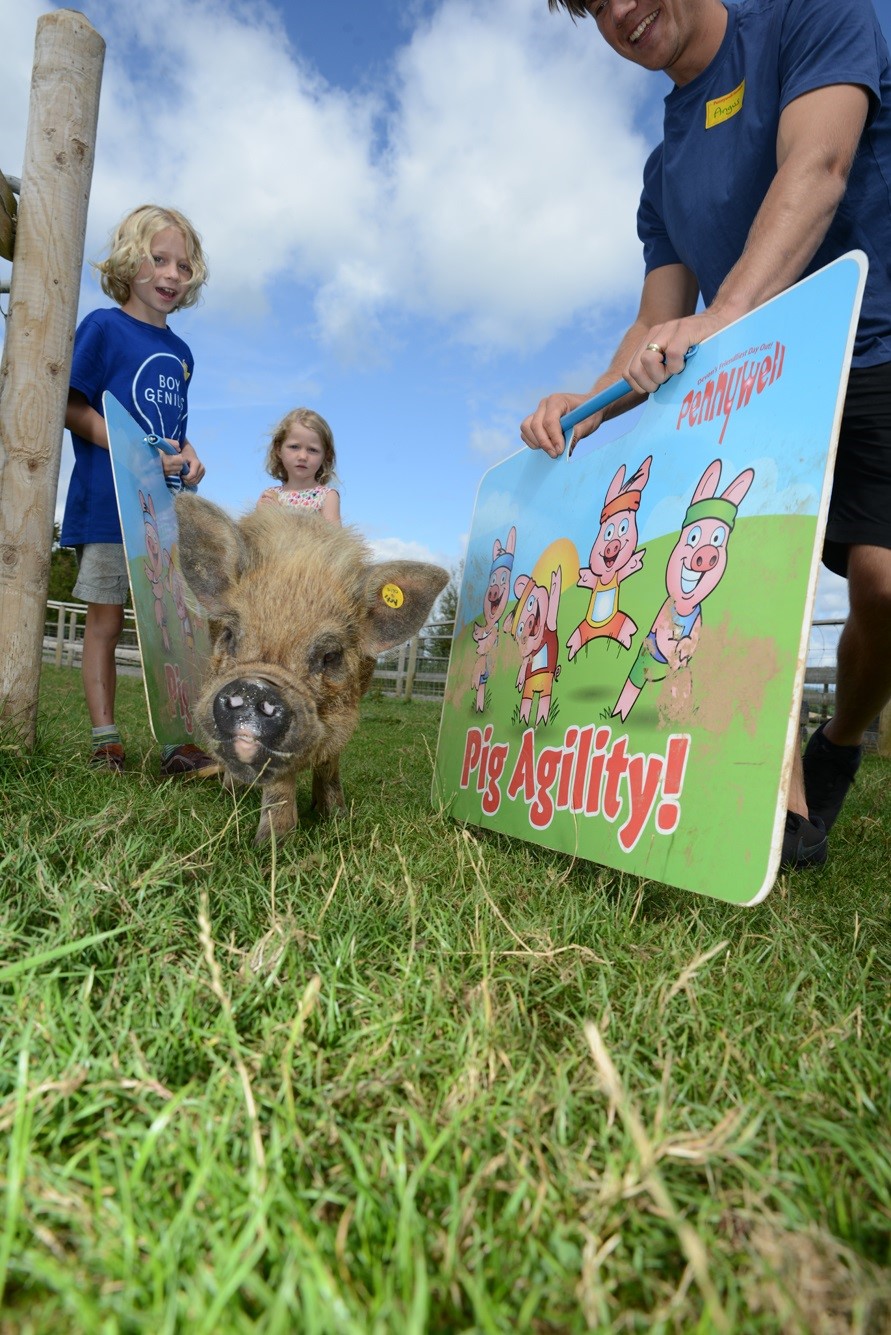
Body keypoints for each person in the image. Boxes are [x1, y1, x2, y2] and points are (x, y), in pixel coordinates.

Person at [521, 0, 891, 871]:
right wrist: (586, 403)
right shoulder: (664, 167)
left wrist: (725, 314)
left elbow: (820, 162)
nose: (618, 11)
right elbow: (658, 319)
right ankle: (776, 806)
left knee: (881, 585)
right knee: (745, 565)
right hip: (751, 384)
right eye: (590, 5)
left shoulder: (812, 17)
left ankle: (835, 743)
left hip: (869, 345)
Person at [60, 203, 218, 776]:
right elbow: (70, 406)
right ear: (131, 262)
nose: (172, 275)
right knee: (105, 623)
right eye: (159, 260)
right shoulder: (103, 327)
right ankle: (106, 741)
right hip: (108, 507)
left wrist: (189, 455)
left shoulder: (182, 355)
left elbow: (170, 433)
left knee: (174, 630)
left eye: (183, 265)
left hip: (165, 518)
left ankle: (179, 741)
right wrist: (127, 448)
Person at [256, 407, 342, 524]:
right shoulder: (270, 494)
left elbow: (333, 539)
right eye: (294, 447)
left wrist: (279, 514)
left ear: (326, 455)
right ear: (278, 449)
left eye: (312, 450)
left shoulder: (327, 496)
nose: (302, 456)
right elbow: (257, 534)